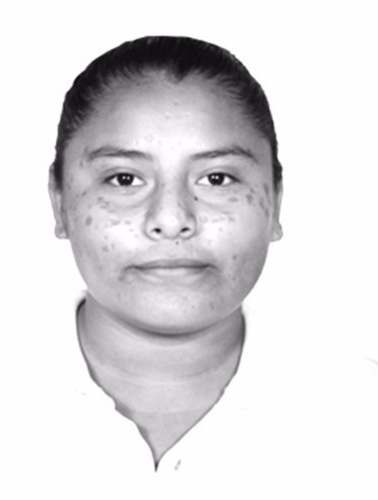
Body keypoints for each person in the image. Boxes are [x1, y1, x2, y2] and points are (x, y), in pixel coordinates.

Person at [45, 36, 377, 499]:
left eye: (217, 179)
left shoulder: (363, 417)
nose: (171, 219)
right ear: (60, 202)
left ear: (275, 202)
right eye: (124, 179)